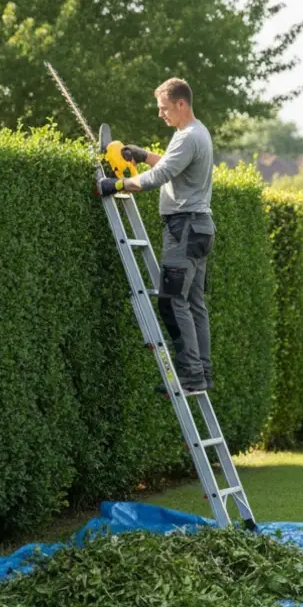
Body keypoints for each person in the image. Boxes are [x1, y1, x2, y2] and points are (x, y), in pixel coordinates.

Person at [98, 78, 215, 393]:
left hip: (184, 227)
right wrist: (141, 153)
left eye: (164, 109)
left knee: (171, 301)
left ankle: (190, 376)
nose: (161, 115)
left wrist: (116, 185)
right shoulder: (196, 133)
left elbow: (159, 178)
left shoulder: (187, 136)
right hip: (199, 227)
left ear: (180, 104)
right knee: (193, 303)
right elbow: (171, 167)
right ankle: (201, 373)